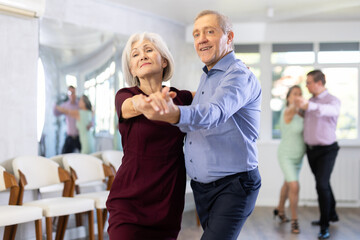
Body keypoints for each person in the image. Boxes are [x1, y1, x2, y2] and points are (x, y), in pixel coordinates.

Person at [137, 10, 262, 240]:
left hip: (233, 186)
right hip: (203, 189)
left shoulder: (238, 75)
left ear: (229, 37)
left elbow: (213, 113)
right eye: (196, 34)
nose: (201, 39)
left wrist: (173, 114)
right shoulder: (208, 75)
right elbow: (198, 119)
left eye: (209, 32)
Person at [105, 32, 193, 240]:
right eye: (135, 55)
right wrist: (144, 104)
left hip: (167, 202)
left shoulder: (180, 97)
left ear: (164, 61)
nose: (142, 56)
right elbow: (129, 107)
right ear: (132, 69)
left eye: (149, 50)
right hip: (129, 202)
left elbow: (215, 97)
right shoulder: (125, 96)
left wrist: (235, 73)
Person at [295, 70, 340, 239]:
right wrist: (298, 106)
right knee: (324, 183)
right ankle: (332, 214)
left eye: (309, 82)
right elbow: (306, 114)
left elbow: (328, 111)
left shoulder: (332, 101)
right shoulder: (311, 101)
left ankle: (324, 225)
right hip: (311, 151)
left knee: (321, 185)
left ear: (319, 83)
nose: (306, 85)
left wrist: (308, 105)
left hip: (327, 150)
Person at [274, 85, 305, 234]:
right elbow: (292, 108)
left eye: (300, 94)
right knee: (294, 186)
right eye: (294, 94)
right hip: (286, 155)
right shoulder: (287, 111)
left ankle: (280, 210)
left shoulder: (302, 113)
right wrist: (298, 103)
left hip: (299, 156)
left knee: (287, 184)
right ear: (288, 98)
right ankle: (294, 220)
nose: (298, 96)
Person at [54, 86, 81, 153]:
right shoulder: (65, 105)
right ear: (68, 94)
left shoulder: (80, 104)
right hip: (70, 136)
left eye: (73, 92)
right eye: (70, 93)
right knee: (63, 155)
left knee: (84, 156)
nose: (72, 95)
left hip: (79, 137)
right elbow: (56, 113)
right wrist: (55, 106)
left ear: (75, 93)